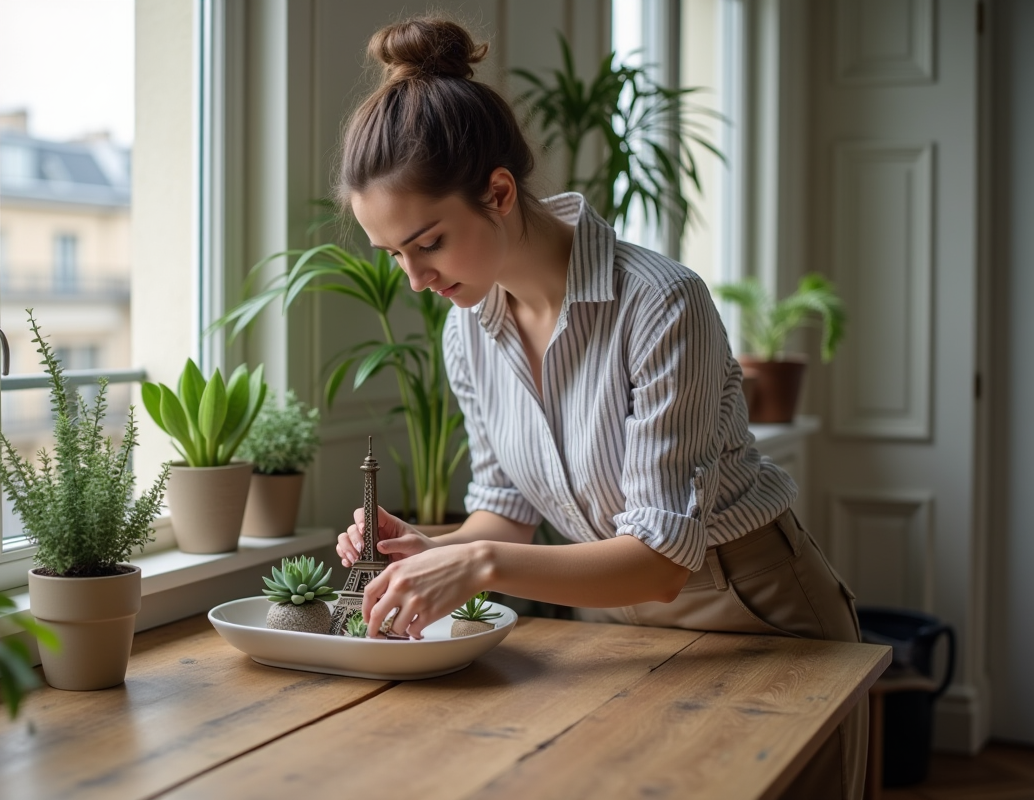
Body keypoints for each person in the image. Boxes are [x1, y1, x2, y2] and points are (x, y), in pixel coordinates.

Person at [332, 16, 866, 800]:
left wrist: (476, 563)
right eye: (394, 256)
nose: (414, 277)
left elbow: (657, 560)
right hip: (608, 630)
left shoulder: (661, 305)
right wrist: (432, 548)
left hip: (755, 615)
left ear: (500, 193)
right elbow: (506, 512)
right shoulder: (469, 331)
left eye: (429, 243)